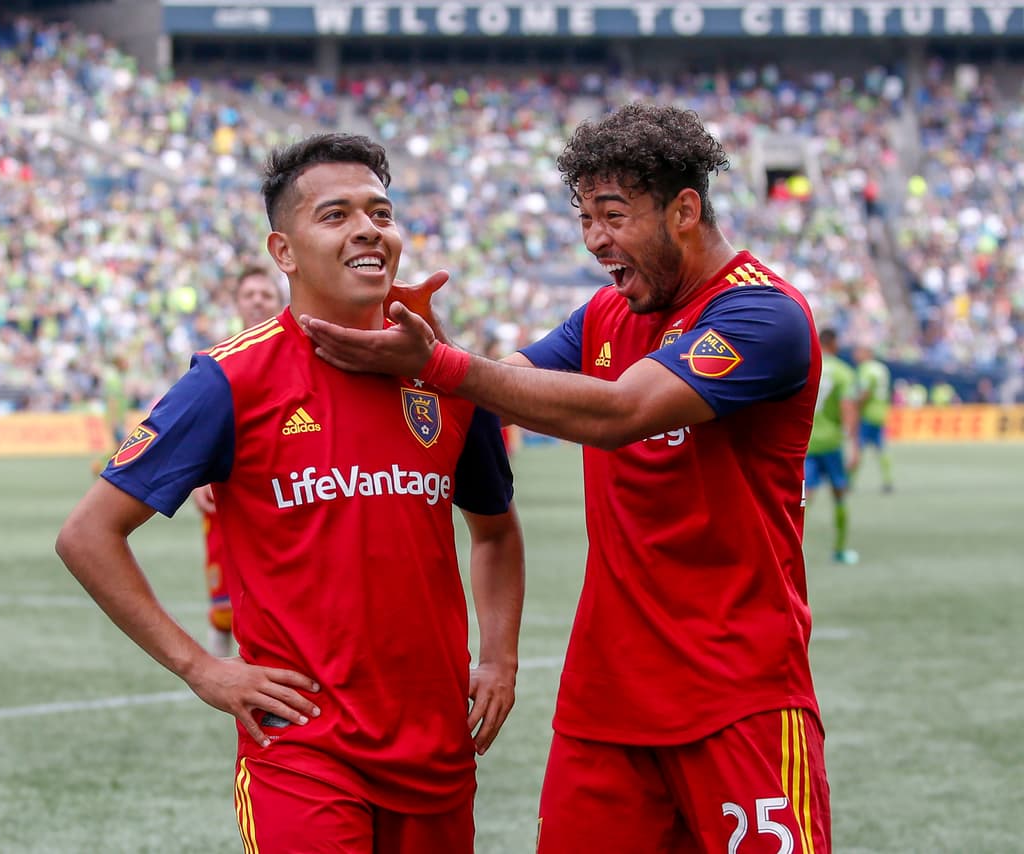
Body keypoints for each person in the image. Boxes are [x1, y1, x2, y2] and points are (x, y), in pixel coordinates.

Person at [305, 104, 831, 852]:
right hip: (604, 705)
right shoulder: (604, 316)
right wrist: (416, 357)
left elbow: (620, 412)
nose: (595, 241)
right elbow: (495, 388)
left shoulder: (763, 316)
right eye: (585, 218)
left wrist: (439, 365)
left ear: (685, 209)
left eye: (612, 216)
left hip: (739, 694)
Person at [56, 133, 525, 852]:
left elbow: (494, 532)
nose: (369, 228)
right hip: (305, 753)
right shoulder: (229, 381)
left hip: (436, 749)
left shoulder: (449, 376)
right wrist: (201, 667)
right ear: (284, 251)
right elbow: (88, 534)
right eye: (336, 215)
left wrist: (498, 658)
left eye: (380, 211)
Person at [190, 265, 285, 658]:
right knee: (227, 600)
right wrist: (196, 482)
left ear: (280, 302)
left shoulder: (302, 355)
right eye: (250, 295)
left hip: (288, 491)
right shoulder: (219, 363)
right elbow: (194, 435)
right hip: (233, 493)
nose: (258, 301)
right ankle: (221, 667)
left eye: (266, 294)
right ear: (237, 304)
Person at [807, 328, 861, 564]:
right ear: (835, 343)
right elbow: (848, 408)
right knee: (839, 493)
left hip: (806, 443)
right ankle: (839, 549)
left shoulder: (806, 364)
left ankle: (788, 551)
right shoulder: (843, 372)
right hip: (831, 443)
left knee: (803, 498)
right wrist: (853, 445)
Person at [852, 342, 894, 493]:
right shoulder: (882, 368)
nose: (855, 355)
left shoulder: (866, 369)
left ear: (868, 353)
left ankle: (849, 482)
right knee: (881, 448)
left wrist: (855, 408)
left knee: (858, 448)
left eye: (859, 351)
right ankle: (888, 480)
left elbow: (865, 392)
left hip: (867, 414)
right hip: (881, 413)